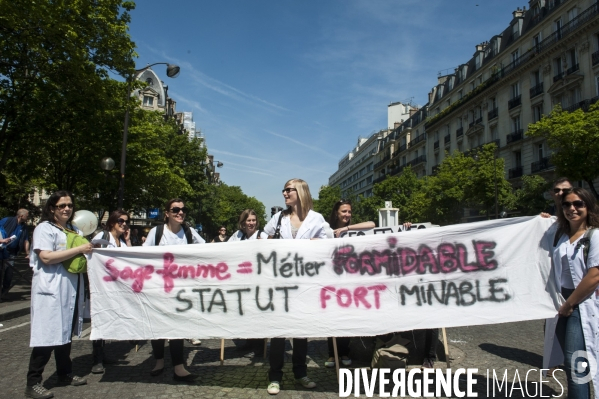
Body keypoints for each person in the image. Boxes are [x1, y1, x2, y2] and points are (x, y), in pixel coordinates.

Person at [25, 191, 92, 399]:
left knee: (64, 335)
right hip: (50, 290)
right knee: (46, 336)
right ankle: (33, 383)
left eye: (70, 205)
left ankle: (65, 373)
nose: (66, 209)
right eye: (61, 205)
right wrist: (79, 248)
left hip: (70, 289)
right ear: (52, 208)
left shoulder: (73, 229)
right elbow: (46, 257)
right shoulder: (44, 229)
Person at [263, 178, 328, 395]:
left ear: (300, 192)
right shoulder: (279, 218)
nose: (284, 193)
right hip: (280, 283)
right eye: (283, 190)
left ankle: (300, 373)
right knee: (279, 332)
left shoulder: (316, 219)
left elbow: (328, 241)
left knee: (301, 332)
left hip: (304, 283)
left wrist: (313, 244)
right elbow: (264, 237)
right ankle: (275, 377)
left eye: (288, 190)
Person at [143, 198, 205, 382]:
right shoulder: (157, 232)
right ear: (167, 213)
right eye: (176, 209)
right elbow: (144, 256)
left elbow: (208, 250)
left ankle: (178, 366)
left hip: (181, 288)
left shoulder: (189, 231)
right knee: (158, 325)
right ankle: (159, 361)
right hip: (159, 287)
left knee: (177, 325)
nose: (180, 212)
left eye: (183, 209)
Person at [546, 187, 599, 398]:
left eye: (578, 204)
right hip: (561, 303)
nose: (572, 208)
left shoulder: (594, 236)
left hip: (580, 304)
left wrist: (569, 305)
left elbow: (594, 275)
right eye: (566, 204)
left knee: (576, 362)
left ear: (588, 206)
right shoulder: (561, 234)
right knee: (571, 362)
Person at [324, 199, 375, 368]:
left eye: (349, 212)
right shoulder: (326, 231)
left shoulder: (353, 230)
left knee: (346, 319)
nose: (347, 215)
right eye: (343, 211)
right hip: (332, 281)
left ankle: (345, 352)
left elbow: (372, 224)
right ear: (336, 213)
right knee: (331, 318)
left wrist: (346, 229)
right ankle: (332, 354)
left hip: (350, 282)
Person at [90, 210, 132, 374]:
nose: (124, 224)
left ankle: (103, 355)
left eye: (126, 221)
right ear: (112, 222)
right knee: (100, 319)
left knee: (109, 319)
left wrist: (128, 241)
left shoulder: (121, 240)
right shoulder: (103, 236)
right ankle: (97, 360)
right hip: (102, 287)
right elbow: (92, 256)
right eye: (120, 221)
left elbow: (130, 260)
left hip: (117, 287)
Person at [229, 209, 268, 357]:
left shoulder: (262, 236)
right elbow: (225, 249)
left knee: (257, 314)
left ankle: (259, 345)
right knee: (245, 313)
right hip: (241, 281)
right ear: (243, 222)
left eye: (253, 220)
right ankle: (249, 341)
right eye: (248, 220)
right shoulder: (237, 236)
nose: (251, 223)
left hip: (258, 281)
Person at [0, 209, 30, 298]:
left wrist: (27, 253)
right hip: (2, 250)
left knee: (9, 272)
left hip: (12, 252)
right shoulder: (7, 220)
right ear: (21, 216)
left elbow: (26, 240)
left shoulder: (24, 227)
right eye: (27, 215)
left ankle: (4, 292)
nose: (28, 217)